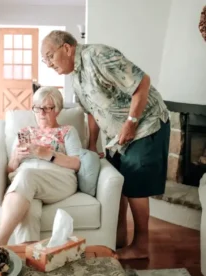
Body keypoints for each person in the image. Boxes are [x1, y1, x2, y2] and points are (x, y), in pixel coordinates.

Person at [41, 30, 170, 260]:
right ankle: (118, 238)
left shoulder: (98, 56)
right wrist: (92, 143)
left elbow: (143, 82)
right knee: (117, 181)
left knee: (135, 180)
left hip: (146, 122)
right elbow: (93, 112)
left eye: (50, 56)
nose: (48, 63)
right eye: (45, 59)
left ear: (67, 48)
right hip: (117, 134)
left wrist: (131, 123)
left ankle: (141, 244)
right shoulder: (75, 76)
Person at [0, 86, 82, 246]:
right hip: (27, 182)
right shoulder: (25, 132)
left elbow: (76, 163)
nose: (41, 113)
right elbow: (11, 169)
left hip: (59, 180)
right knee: (28, 210)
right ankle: (29, 258)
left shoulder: (67, 131)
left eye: (47, 108)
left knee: (27, 176)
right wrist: (15, 158)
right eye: (37, 108)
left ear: (58, 110)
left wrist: (46, 153)